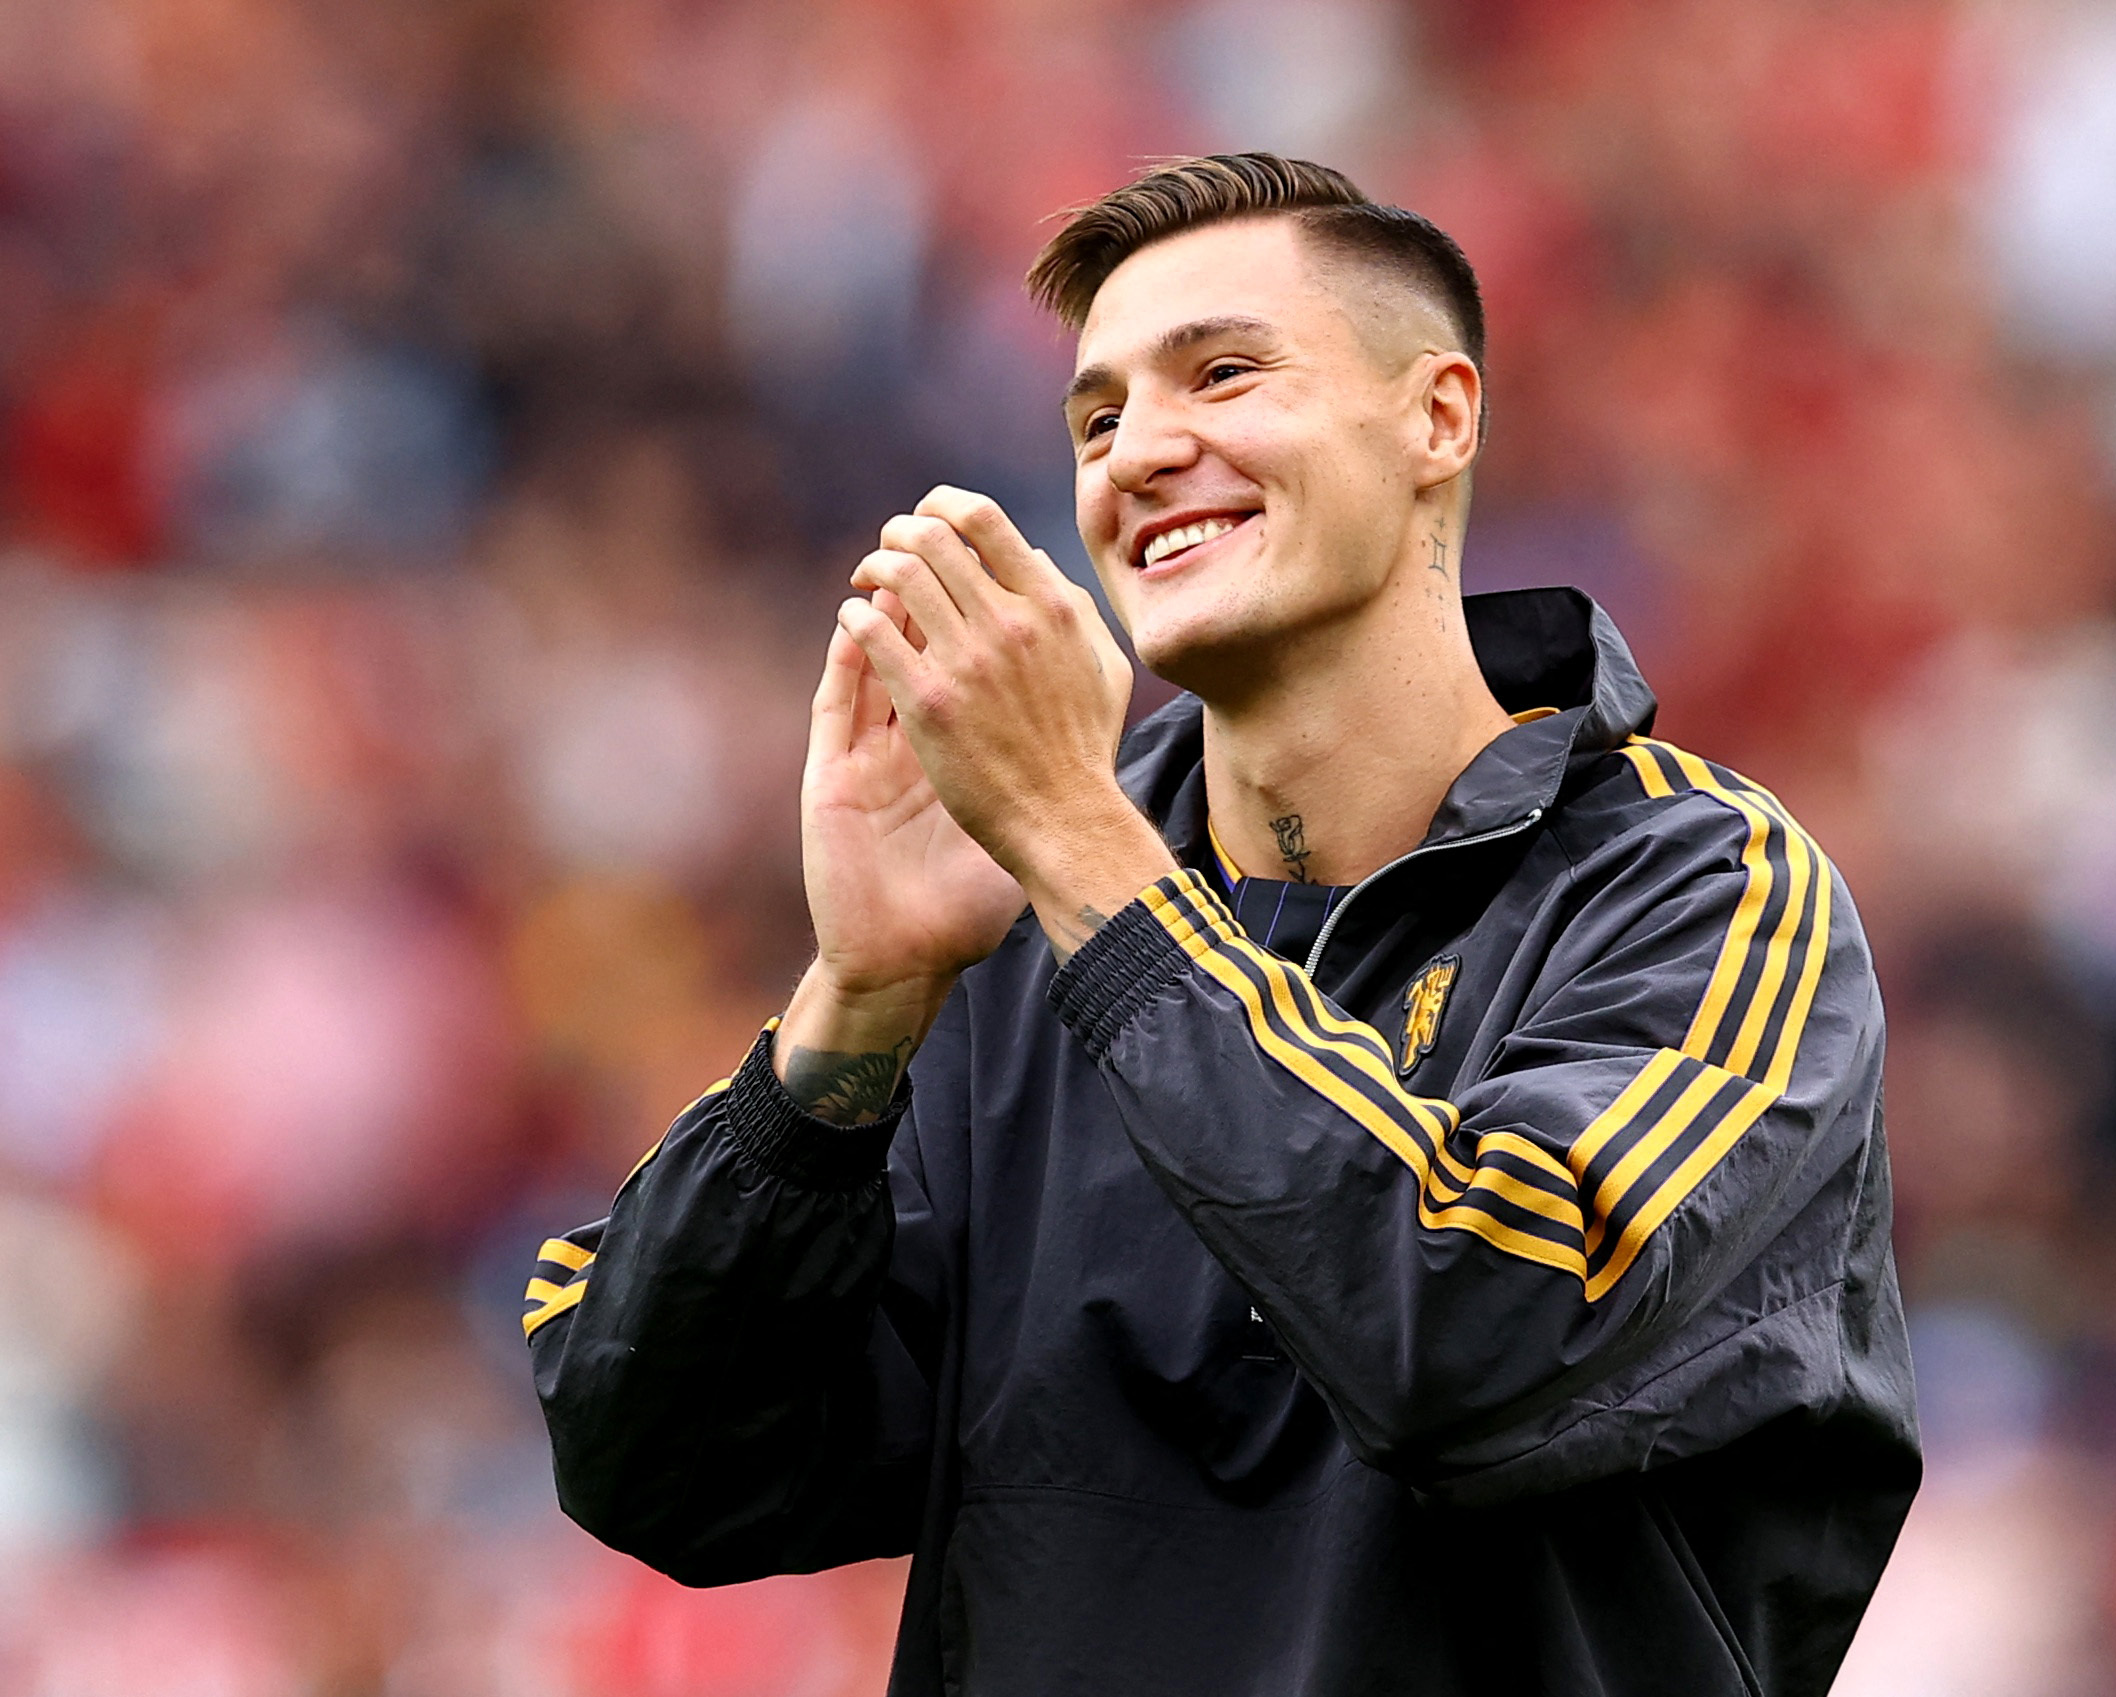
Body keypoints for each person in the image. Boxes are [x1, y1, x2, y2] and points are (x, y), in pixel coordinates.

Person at [525, 153, 1918, 1696]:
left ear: (1437, 417)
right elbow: (659, 1459)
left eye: (1225, 373)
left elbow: (1475, 1329)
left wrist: (1081, 851)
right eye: (1097, 420)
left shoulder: (1700, 890)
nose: (1138, 453)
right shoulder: (1012, 946)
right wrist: (857, 996)